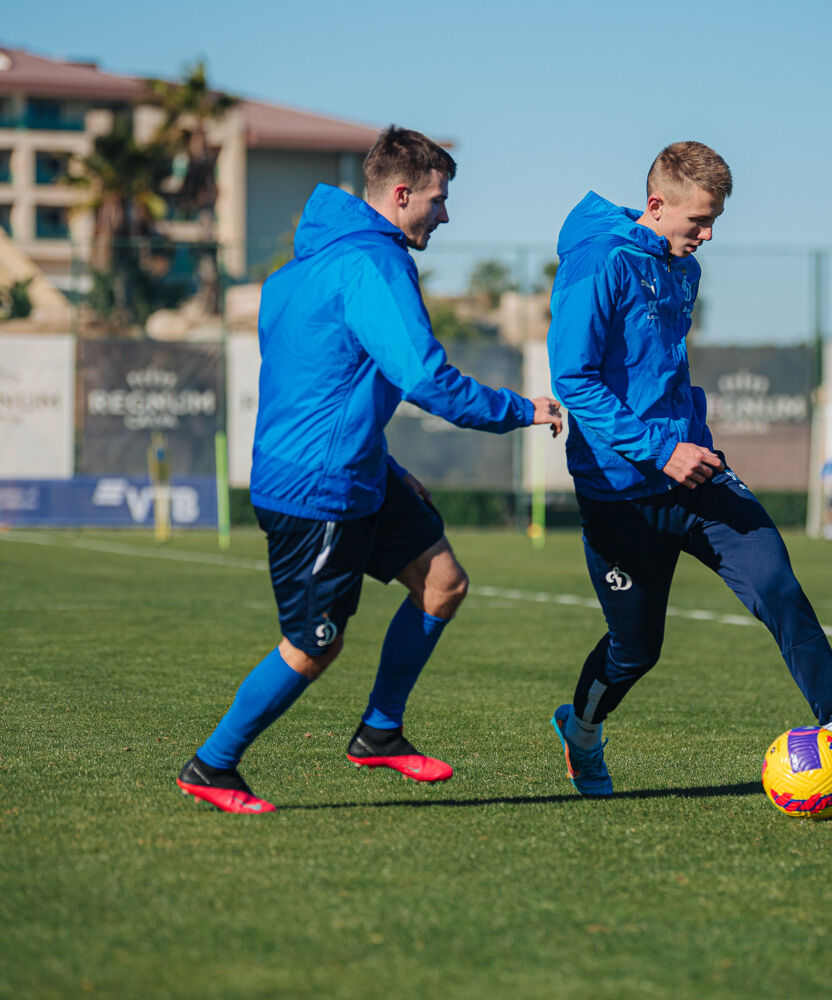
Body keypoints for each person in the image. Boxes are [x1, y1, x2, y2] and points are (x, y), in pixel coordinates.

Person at [177, 126, 563, 814]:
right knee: (313, 645)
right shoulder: (373, 265)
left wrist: (385, 463)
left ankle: (380, 731)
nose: (444, 215)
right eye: (438, 201)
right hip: (315, 488)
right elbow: (425, 378)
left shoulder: (295, 276)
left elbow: (325, 387)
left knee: (442, 583)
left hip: (355, 469)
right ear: (403, 194)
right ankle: (213, 765)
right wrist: (520, 410)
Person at [544, 141, 832, 807]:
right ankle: (583, 731)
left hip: (696, 475)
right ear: (656, 207)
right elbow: (575, 381)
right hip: (619, 494)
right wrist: (658, 449)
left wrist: (685, 443)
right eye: (698, 222)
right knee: (635, 651)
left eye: (715, 223)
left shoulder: (682, 268)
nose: (707, 236)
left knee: (778, 584)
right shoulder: (597, 263)